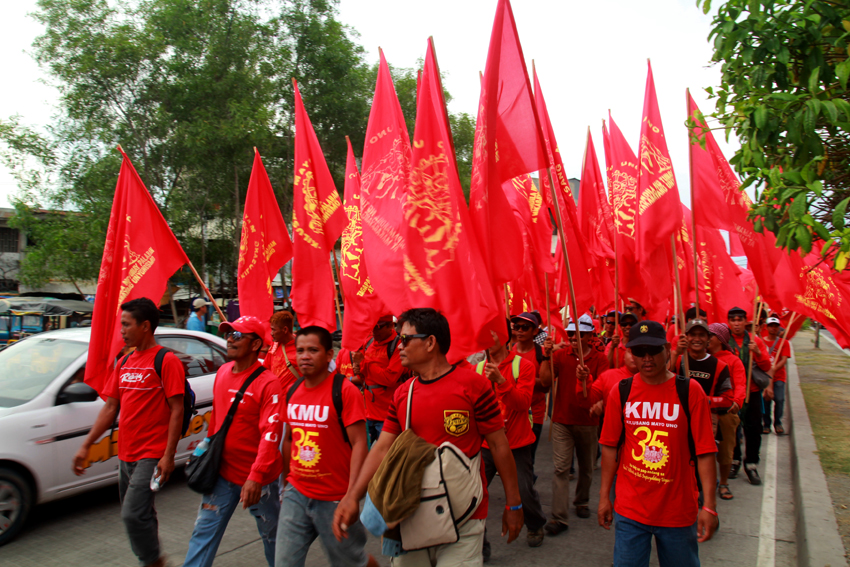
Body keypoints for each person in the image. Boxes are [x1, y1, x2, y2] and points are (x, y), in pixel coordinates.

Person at [334, 308, 524, 566]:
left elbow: (499, 446)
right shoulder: (402, 394)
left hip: (465, 516)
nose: (399, 346)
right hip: (412, 514)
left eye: (405, 339)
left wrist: (514, 504)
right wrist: (352, 496)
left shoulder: (473, 386)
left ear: (431, 342)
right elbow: (380, 449)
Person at [72, 298, 184, 567]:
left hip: (151, 454)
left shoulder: (166, 361)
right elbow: (110, 408)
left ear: (145, 326)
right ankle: (152, 556)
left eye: (126, 324)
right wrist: (87, 444)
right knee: (141, 511)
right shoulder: (123, 362)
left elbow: (177, 411)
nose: (121, 330)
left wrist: (168, 456)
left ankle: (153, 561)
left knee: (132, 514)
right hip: (126, 453)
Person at [598, 320, 719, 567]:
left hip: (677, 511)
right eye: (638, 352)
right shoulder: (620, 391)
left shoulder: (690, 391)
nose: (647, 358)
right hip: (630, 509)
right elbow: (610, 447)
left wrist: (710, 506)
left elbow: (705, 451)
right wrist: (603, 497)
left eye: (653, 350)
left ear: (667, 348)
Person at [184, 316, 283, 567]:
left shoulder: (269, 383)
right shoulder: (223, 372)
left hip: (260, 482)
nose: (229, 339)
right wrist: (204, 451)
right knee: (203, 534)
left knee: (273, 537)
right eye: (229, 334)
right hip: (222, 475)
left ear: (255, 344)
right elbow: (217, 422)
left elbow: (271, 434)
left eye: (237, 336)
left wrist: (256, 476)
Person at [275, 326, 376, 567]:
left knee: (351, 563)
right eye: (300, 351)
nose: (305, 356)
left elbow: (360, 443)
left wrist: (351, 495)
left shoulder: (344, 391)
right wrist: (286, 483)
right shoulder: (292, 392)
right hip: (296, 495)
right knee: (284, 563)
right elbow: (288, 439)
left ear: (329, 354)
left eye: (313, 350)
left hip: (334, 499)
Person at [479, 321, 548, 557]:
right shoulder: (477, 370)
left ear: (506, 339)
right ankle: (479, 543)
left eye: (493, 335)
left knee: (523, 490)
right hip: (487, 444)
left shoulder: (524, 366)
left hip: (516, 443)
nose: (488, 341)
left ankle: (536, 523)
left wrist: (501, 381)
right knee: (474, 494)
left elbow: (522, 403)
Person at [540, 313, 609, 533]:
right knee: (561, 469)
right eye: (570, 333)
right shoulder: (560, 355)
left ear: (589, 336)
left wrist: (585, 379)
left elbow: (603, 389)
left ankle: (582, 501)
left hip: (588, 422)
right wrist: (546, 357)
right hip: (561, 420)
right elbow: (546, 382)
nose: (572, 337)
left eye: (578, 334)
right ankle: (559, 517)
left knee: (586, 468)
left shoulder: (600, 359)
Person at [727, 306, 772, 485]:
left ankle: (751, 464)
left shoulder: (755, 340)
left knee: (754, 430)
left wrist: (758, 353)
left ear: (746, 321)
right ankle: (735, 460)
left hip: (752, 393)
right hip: (731, 394)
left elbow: (767, 366)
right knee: (733, 430)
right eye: (733, 320)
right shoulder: (723, 341)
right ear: (728, 322)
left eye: (740, 320)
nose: (737, 323)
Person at [351, 314, 404, 446]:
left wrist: (363, 365)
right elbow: (362, 374)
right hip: (367, 412)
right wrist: (357, 368)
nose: (375, 331)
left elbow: (390, 378)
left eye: (379, 327)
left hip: (388, 416)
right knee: (363, 453)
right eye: (372, 327)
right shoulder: (368, 343)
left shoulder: (398, 346)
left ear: (391, 326)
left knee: (385, 458)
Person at [707, 323, 745, 500]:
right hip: (704, 413)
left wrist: (736, 402)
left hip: (725, 413)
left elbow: (740, 384)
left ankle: (723, 483)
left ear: (720, 339)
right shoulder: (700, 358)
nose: (706, 339)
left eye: (710, 335)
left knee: (725, 450)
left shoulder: (733, 360)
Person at [510, 312, 549, 466]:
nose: (519, 330)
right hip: (512, 414)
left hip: (534, 415)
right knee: (511, 459)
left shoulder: (543, 353)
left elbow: (546, 386)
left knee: (527, 459)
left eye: (525, 327)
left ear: (535, 331)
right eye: (516, 326)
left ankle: (527, 489)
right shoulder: (509, 351)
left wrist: (522, 378)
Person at [672, 319, 734, 416]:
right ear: (686, 337)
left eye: (702, 335)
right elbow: (663, 388)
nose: (697, 339)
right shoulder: (677, 361)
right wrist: (675, 353)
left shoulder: (720, 366)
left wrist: (703, 400)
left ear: (708, 338)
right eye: (693, 335)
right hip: (679, 419)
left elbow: (727, 400)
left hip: (706, 419)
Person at [763, 317, 791, 435]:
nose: (773, 328)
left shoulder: (783, 342)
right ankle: (766, 423)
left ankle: (778, 422)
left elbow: (784, 360)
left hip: (779, 376)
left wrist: (774, 369)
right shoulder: (761, 341)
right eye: (771, 325)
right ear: (767, 327)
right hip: (764, 377)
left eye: (776, 326)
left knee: (779, 399)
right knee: (766, 399)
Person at [266, 310, 300, 392]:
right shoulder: (274, 345)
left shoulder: (301, 348)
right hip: (274, 398)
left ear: (285, 330)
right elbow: (266, 369)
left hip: (292, 400)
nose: (271, 333)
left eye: (273, 330)